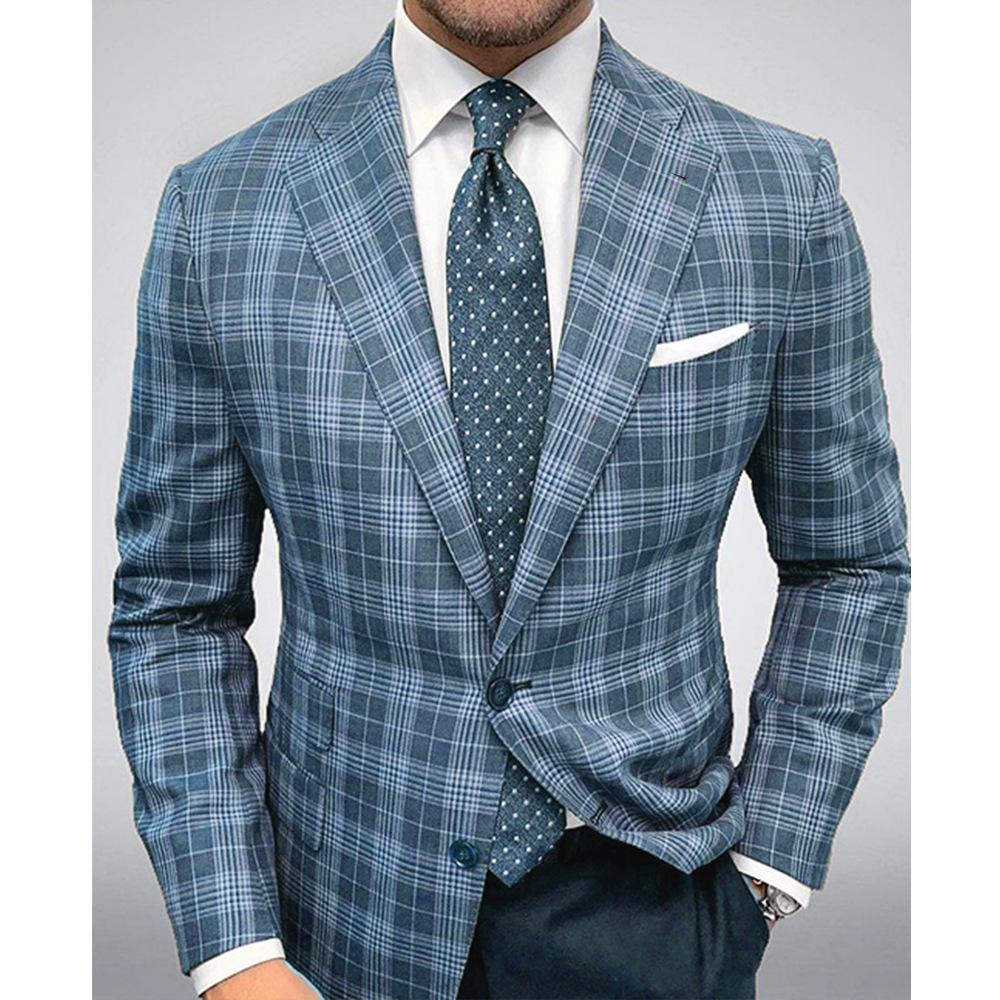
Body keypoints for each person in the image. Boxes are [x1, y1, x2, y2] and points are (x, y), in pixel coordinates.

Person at [108, 0, 910, 997]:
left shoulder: (776, 192)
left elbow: (847, 560)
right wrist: (235, 948)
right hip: (339, 917)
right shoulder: (223, 207)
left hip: (659, 907)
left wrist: (770, 864)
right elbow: (175, 608)